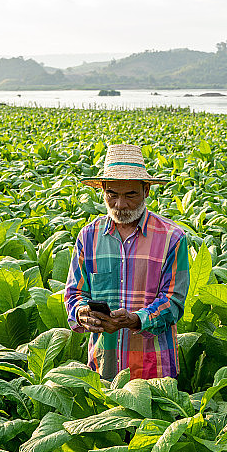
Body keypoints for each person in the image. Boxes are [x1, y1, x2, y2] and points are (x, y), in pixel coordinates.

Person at [64, 144, 190, 380]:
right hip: (103, 365)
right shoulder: (88, 237)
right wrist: (83, 314)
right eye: (112, 194)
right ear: (102, 190)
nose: (120, 205)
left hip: (154, 368)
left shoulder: (172, 238)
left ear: (146, 191)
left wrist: (136, 320)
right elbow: (74, 294)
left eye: (130, 195)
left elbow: (173, 302)